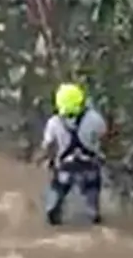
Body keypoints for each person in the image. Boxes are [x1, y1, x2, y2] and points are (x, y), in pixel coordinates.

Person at [40, 81, 108, 225]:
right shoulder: (94, 118)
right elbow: (103, 136)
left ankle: (53, 208)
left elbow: (48, 146)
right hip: (89, 165)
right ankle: (92, 212)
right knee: (92, 188)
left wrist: (49, 161)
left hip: (66, 166)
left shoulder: (54, 122)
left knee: (58, 187)